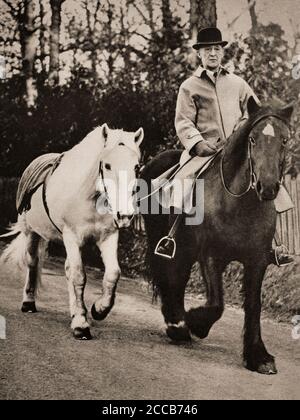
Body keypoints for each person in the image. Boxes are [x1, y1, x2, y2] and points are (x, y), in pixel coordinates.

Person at [156, 27, 294, 266]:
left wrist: (239, 135)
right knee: (183, 182)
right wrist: (197, 143)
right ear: (199, 54)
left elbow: (255, 115)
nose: (213, 54)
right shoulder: (189, 86)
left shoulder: (238, 84)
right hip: (204, 150)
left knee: (268, 179)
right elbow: (183, 120)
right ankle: (172, 238)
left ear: (222, 53)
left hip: (236, 150)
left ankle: (274, 245)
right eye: (207, 49)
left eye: (217, 49)